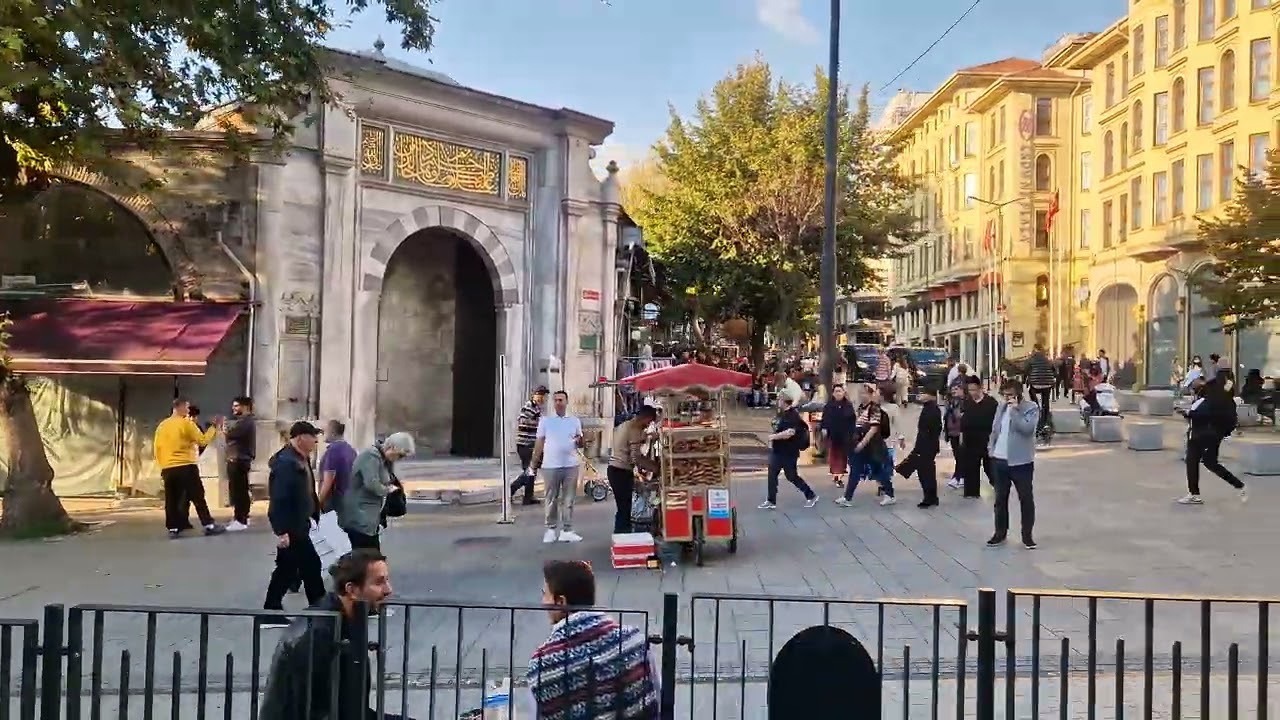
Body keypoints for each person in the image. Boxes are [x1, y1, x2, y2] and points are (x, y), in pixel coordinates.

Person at [258, 550, 401, 720]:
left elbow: (349, 707)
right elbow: (317, 708)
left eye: (387, 580)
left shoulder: (343, 618)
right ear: (352, 589)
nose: (388, 590)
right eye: (379, 582)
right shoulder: (320, 634)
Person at [523, 560, 659, 718]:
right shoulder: (634, 641)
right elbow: (657, 699)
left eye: (545, 594)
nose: (542, 602)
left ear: (561, 602)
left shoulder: (541, 666)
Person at [262, 421, 325, 623]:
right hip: (291, 526)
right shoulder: (287, 463)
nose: (316, 440)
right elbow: (279, 498)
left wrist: (314, 511)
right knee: (302, 567)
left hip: (300, 523)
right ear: (300, 438)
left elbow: (308, 490)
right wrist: (282, 531)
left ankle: (317, 607)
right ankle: (318, 608)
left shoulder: (300, 458)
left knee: (295, 567)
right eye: (312, 436)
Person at [154, 398, 225, 538]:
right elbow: (203, 440)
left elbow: (157, 448)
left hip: (168, 468)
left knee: (171, 499)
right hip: (186, 465)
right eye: (186, 408)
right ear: (179, 407)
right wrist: (214, 427)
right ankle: (208, 524)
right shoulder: (187, 423)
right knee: (197, 496)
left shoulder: (162, 426)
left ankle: (173, 528)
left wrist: (163, 466)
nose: (188, 411)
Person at [986, 379, 1040, 549]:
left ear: (1018, 394)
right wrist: (991, 448)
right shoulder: (1000, 407)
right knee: (1000, 499)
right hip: (999, 459)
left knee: (1025, 498)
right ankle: (1000, 532)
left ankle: (1027, 535)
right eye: (1005, 394)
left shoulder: (1030, 408)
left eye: (1010, 394)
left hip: (1021, 461)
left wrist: (1015, 410)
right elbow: (995, 429)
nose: (1007, 398)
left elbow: (1027, 430)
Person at [339, 432, 414, 552]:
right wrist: (389, 490)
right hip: (360, 517)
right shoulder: (371, 456)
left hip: (371, 518)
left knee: (371, 559)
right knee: (368, 559)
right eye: (399, 455)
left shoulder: (383, 460)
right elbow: (372, 483)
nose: (399, 459)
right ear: (392, 447)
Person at [1178, 375, 1247, 505]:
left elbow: (1202, 415)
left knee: (1200, 462)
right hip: (1205, 436)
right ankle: (1238, 485)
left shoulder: (1208, 400)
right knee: (1204, 462)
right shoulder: (1213, 399)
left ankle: (1195, 494)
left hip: (1203, 437)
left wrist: (1187, 413)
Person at [530, 390, 585, 544]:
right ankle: (551, 529)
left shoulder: (574, 421)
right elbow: (539, 443)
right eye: (556, 400)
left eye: (561, 400)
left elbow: (580, 443)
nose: (558, 403)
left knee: (568, 500)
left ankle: (567, 530)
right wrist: (533, 463)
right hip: (550, 465)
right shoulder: (546, 421)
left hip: (570, 465)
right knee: (551, 499)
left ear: (567, 402)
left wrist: (580, 440)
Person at [836, 383, 896, 508]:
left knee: (878, 470)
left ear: (870, 394)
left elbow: (874, 429)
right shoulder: (861, 408)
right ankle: (847, 497)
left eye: (864, 393)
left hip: (871, 445)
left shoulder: (874, 408)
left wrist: (862, 444)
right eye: (860, 393)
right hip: (860, 443)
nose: (861, 395)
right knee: (856, 471)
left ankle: (890, 494)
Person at [758, 394, 819, 510]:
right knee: (772, 475)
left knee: (792, 476)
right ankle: (771, 501)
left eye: (779, 400)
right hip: (778, 451)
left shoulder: (793, 415)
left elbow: (790, 433)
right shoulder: (782, 414)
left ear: (784, 402)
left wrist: (773, 437)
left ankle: (811, 495)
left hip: (789, 452)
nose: (777, 402)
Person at [606, 404, 660, 534]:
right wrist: (654, 467)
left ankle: (621, 534)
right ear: (646, 417)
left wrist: (648, 437)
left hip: (614, 470)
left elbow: (630, 442)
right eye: (650, 421)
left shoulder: (625, 425)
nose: (649, 425)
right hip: (621, 471)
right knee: (624, 508)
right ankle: (622, 536)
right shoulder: (634, 428)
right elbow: (636, 458)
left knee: (623, 507)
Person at [897, 383, 943, 508]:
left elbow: (934, 430)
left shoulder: (933, 410)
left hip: (927, 446)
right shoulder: (928, 408)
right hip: (925, 445)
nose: (920, 395)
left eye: (923, 393)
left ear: (931, 396)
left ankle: (930, 498)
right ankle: (931, 497)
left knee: (926, 473)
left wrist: (924, 446)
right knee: (925, 472)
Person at [958, 376, 997, 498]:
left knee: (990, 467)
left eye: (974, 390)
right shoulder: (967, 402)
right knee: (971, 467)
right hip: (970, 441)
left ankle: (999, 486)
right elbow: (962, 421)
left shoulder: (991, 403)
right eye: (970, 390)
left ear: (981, 388)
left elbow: (996, 423)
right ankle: (971, 492)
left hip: (986, 439)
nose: (972, 393)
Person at [510, 385, 547, 505]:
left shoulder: (537, 408)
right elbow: (522, 422)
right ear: (534, 395)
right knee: (530, 469)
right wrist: (538, 424)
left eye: (543, 395)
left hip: (532, 444)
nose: (542, 397)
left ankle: (528, 497)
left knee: (532, 470)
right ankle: (511, 489)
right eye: (539, 394)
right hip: (525, 445)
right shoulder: (529, 407)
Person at [224, 395, 257, 531]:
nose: (233, 408)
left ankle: (240, 519)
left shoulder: (245, 422)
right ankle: (243, 517)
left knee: (238, 491)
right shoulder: (244, 421)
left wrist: (224, 428)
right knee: (241, 489)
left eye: (236, 406)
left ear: (245, 407)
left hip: (238, 459)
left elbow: (230, 434)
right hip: (239, 459)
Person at [819, 385, 856, 488]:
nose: (838, 393)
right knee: (834, 455)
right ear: (833, 393)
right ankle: (836, 476)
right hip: (833, 435)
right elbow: (825, 419)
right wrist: (824, 429)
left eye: (840, 391)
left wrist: (853, 433)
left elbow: (852, 421)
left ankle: (839, 474)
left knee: (843, 456)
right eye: (836, 391)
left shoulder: (848, 405)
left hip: (845, 435)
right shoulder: (829, 406)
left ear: (844, 392)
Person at [317, 420, 356, 512]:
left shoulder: (333, 451)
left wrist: (317, 504)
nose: (323, 434)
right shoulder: (351, 451)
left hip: (333, 504)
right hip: (349, 501)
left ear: (332, 433)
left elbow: (328, 481)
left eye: (325, 431)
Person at [1023, 344, 1056, 432]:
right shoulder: (1047, 359)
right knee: (1046, 401)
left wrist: (1024, 381)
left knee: (1033, 396)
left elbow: (1025, 370)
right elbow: (1054, 370)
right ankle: (1045, 419)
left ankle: (1036, 409)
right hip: (1048, 383)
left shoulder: (1031, 359)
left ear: (1034, 349)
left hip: (1035, 383)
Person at [944, 383, 966, 490]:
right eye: (952, 389)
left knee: (960, 455)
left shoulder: (964, 402)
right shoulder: (950, 402)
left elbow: (962, 416)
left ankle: (958, 477)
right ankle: (959, 476)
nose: (954, 391)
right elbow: (946, 417)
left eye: (956, 389)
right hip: (952, 432)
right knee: (957, 455)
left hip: (961, 432)